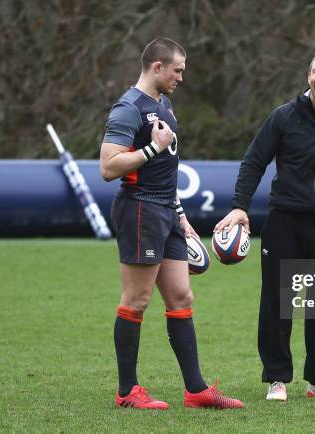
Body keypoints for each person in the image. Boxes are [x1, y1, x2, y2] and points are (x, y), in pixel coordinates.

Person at [215, 51, 315, 402]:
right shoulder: (284, 117)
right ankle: (277, 379)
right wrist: (240, 206)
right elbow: (254, 161)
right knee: (277, 303)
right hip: (284, 220)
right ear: (308, 77)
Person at [100, 37, 243, 410]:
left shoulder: (165, 105)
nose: (181, 77)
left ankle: (196, 390)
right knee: (137, 299)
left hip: (165, 210)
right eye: (177, 70)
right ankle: (127, 391)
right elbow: (107, 167)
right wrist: (151, 148)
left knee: (182, 296)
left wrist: (179, 214)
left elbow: (167, 169)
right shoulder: (128, 108)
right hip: (139, 210)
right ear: (157, 66)